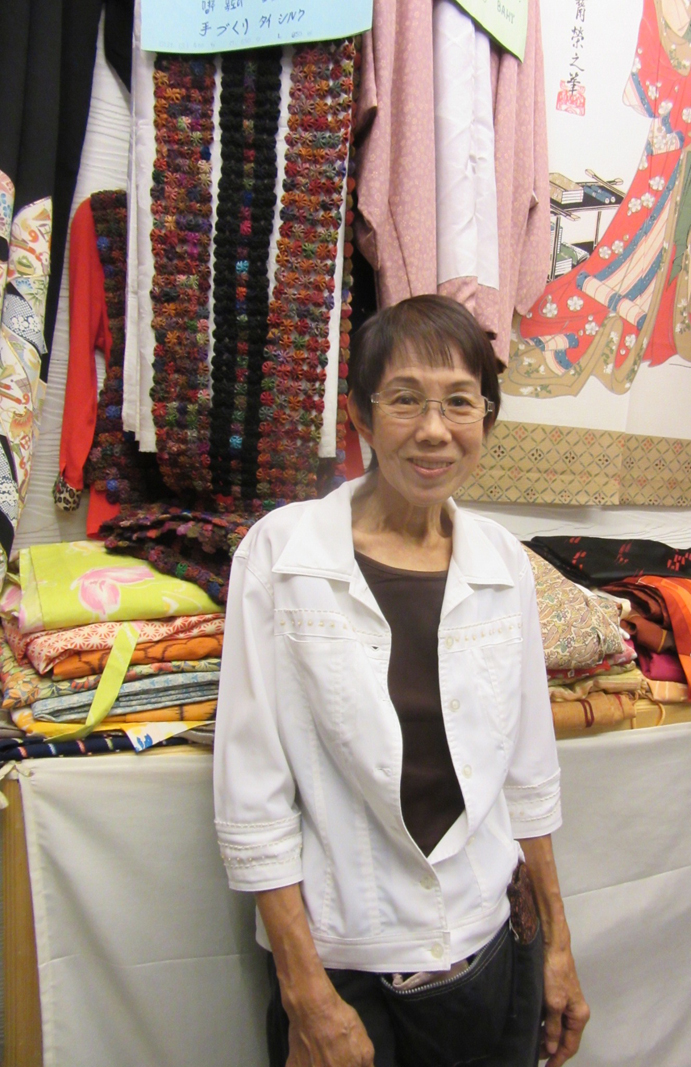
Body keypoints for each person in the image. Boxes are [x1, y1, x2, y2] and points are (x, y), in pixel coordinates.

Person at [213, 294, 589, 1066]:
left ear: (486, 416)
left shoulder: (502, 562)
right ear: (359, 412)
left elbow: (527, 776)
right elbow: (252, 789)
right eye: (405, 399)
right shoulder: (281, 554)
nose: (433, 429)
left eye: (460, 402)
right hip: (344, 952)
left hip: (490, 938)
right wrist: (305, 993)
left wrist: (556, 946)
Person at [505, 0, 691, 399]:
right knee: (653, 212)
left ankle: (670, 305)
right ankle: (645, 299)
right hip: (678, 118)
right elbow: (669, 50)